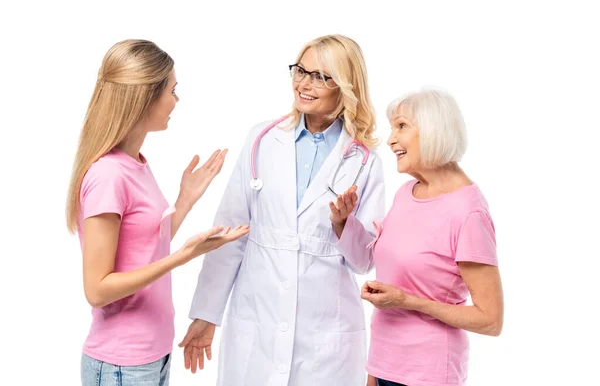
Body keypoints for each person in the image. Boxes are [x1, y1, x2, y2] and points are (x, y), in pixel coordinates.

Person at [178, 34, 385, 385]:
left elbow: (364, 262)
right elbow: (229, 233)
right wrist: (205, 313)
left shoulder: (364, 161)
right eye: (301, 71)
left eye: (321, 77)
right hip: (257, 318)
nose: (304, 84)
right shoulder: (262, 139)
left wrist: (343, 225)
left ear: (345, 87)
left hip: (324, 335)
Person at [65, 39, 249, 386]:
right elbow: (97, 289)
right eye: (172, 91)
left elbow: (142, 250)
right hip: (123, 364)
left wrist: (185, 199)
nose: (176, 102)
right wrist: (183, 256)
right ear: (145, 98)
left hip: (151, 356)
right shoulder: (109, 175)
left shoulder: (135, 164)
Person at [332, 88, 504, 386]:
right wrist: (343, 222)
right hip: (384, 365)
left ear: (434, 130)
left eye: (401, 126)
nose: (390, 139)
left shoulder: (469, 212)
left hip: (429, 374)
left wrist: (409, 302)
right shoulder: (406, 193)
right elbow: (382, 270)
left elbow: (490, 320)